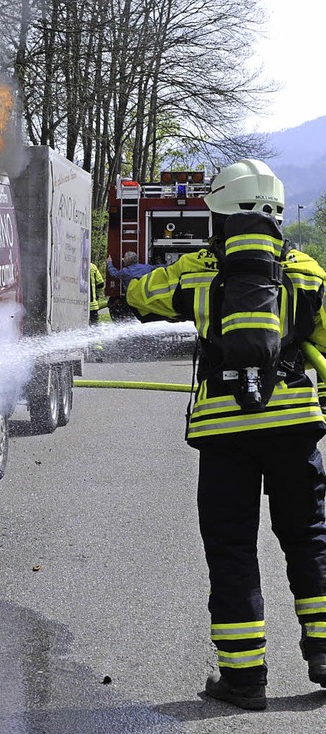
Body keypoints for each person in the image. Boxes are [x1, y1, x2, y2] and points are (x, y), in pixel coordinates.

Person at [125, 158, 326, 711]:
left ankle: (244, 679)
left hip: (224, 429)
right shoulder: (306, 270)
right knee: (309, 538)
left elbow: (143, 298)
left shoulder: (196, 269)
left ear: (222, 211)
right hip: (293, 424)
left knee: (233, 548)